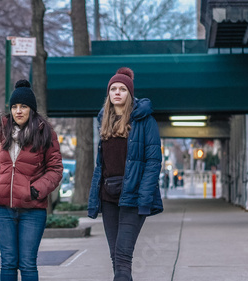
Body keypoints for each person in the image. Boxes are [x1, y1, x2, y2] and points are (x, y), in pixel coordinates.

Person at [0, 79, 63, 281]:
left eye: (23, 106)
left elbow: (55, 169)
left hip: (32, 209)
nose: (18, 111)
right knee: (8, 262)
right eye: (14, 106)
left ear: (31, 109)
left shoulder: (46, 133)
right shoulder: (2, 130)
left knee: (27, 263)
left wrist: (35, 190)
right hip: (2, 208)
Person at [88, 67, 164, 281]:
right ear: (109, 94)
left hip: (133, 194)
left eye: (122, 89)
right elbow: (100, 164)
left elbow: (153, 161)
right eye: (113, 89)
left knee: (122, 255)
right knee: (115, 256)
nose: (117, 92)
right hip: (108, 194)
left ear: (130, 93)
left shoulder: (145, 120)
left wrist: (145, 196)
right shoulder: (103, 120)